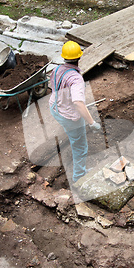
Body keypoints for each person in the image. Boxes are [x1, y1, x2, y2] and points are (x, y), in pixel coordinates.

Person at [49, 41, 101, 183]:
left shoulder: (57, 69)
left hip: (54, 107)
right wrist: (92, 122)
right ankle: (79, 175)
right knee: (80, 146)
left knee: (73, 134)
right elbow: (78, 103)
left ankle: (69, 133)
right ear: (79, 57)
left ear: (64, 57)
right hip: (68, 115)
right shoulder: (76, 79)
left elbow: (52, 86)